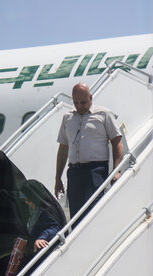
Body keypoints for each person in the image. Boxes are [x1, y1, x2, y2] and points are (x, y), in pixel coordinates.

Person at [54, 83, 124, 222]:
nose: (79, 106)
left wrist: (117, 169)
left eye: (83, 102)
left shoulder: (104, 114)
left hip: (95, 171)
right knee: (76, 215)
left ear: (91, 98)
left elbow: (117, 142)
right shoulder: (67, 118)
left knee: (92, 212)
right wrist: (58, 178)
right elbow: (63, 149)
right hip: (74, 172)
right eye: (76, 103)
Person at [21, 179, 67, 254]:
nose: (27, 203)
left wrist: (42, 238)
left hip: (47, 250)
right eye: (25, 200)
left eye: (28, 200)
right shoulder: (34, 210)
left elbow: (54, 228)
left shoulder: (47, 210)